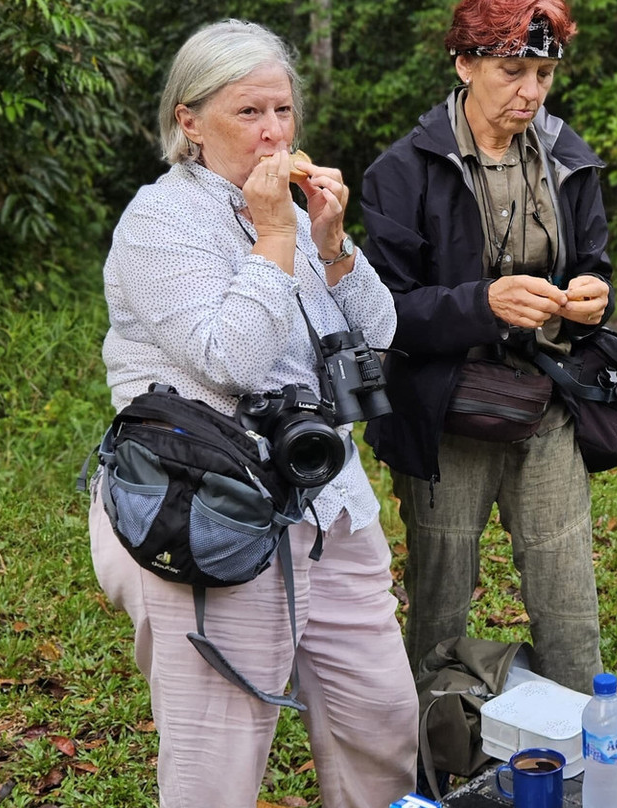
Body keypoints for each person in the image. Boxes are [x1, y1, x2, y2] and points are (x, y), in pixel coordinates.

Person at [87, 20, 417, 808]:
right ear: (189, 121)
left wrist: (333, 244)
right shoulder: (160, 223)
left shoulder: (296, 217)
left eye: (283, 110)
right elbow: (227, 360)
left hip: (327, 503)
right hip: (209, 510)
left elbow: (380, 336)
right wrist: (273, 235)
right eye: (248, 112)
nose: (272, 131)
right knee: (217, 767)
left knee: (382, 719)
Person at [360, 0, 613, 695]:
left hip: (547, 400)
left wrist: (594, 295)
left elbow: (596, 263)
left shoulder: (569, 157)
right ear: (465, 62)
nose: (530, 92)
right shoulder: (402, 172)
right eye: (512, 71)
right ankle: (433, 757)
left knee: (568, 598)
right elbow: (380, 311)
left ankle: (583, 762)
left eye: (543, 73)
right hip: (447, 412)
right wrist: (483, 304)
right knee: (440, 599)